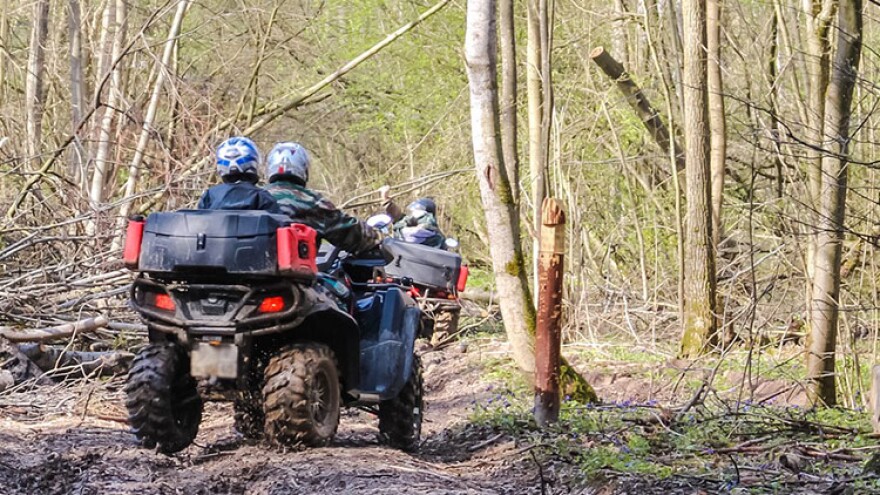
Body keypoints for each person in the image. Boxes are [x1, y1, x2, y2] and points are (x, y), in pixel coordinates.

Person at [263, 142, 379, 254]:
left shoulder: (256, 197)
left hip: (250, 270)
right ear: (304, 169)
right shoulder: (312, 202)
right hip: (297, 273)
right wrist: (377, 236)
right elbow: (354, 235)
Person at [197, 136, 280, 212]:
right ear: (253, 162)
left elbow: (198, 224)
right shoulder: (261, 197)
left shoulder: (210, 196)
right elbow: (278, 223)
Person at [378, 186, 446, 249]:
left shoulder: (431, 231)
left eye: (417, 213)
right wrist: (385, 198)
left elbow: (419, 230)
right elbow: (398, 216)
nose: (413, 215)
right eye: (413, 212)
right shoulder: (405, 224)